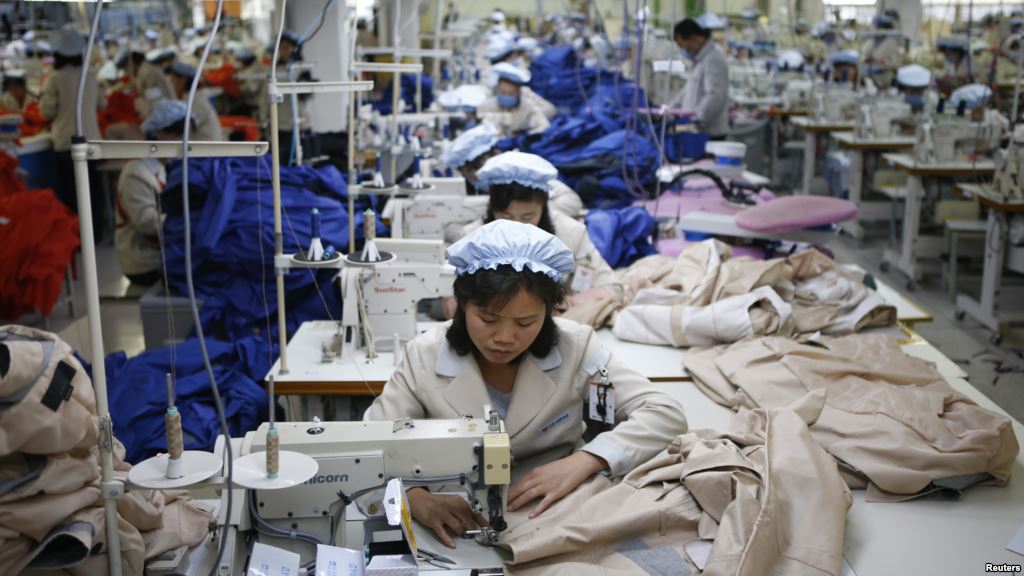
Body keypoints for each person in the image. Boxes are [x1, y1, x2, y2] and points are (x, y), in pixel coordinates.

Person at [365, 218, 686, 547]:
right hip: (454, 520)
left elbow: (664, 413)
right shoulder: (423, 356)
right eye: (488, 319)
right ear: (460, 304)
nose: (504, 338)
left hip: (557, 511)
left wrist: (588, 459)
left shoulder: (576, 347)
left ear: (549, 311)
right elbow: (370, 445)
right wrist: (414, 497)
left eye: (525, 322)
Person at [456, 152, 622, 311]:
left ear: (544, 208)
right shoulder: (471, 238)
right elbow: (450, 300)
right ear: (492, 209)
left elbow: (612, 287)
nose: (517, 226)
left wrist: (569, 303)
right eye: (506, 217)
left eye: (528, 217)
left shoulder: (571, 233)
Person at [441, 123, 582, 220]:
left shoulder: (525, 172)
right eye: (468, 171)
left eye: (475, 168)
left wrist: (531, 213)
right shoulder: (469, 194)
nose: (473, 176)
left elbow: (572, 201)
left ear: (492, 156)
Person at [115, 100, 189, 285]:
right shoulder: (136, 172)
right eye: (178, 135)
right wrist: (191, 221)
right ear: (159, 133)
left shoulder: (168, 165)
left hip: (167, 253)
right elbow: (147, 223)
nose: (184, 141)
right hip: (144, 262)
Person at [40, 27, 106, 220]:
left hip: (66, 142)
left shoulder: (55, 78)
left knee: (71, 193)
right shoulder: (90, 75)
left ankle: (76, 233)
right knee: (93, 189)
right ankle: (97, 230)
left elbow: (47, 112)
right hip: (93, 140)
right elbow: (102, 104)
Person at [671, 18, 729, 138]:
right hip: (696, 131)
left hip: (709, 133)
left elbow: (715, 95)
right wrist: (670, 111)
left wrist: (696, 119)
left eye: (685, 48)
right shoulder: (700, 60)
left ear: (694, 39)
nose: (686, 52)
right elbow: (687, 92)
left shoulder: (714, 59)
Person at [478, 63, 552, 136]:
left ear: (518, 93)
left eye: (511, 93)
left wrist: (526, 138)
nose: (506, 96)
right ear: (497, 89)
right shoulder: (485, 107)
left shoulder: (528, 108)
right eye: (503, 93)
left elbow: (543, 126)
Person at [166, 60, 224, 141]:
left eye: (173, 78)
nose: (171, 82)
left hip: (206, 149)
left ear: (183, 79)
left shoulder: (195, 101)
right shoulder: (192, 97)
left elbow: (184, 130)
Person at [861, 14, 903, 87]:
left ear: (882, 28)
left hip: (883, 80)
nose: (872, 28)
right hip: (867, 78)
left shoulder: (892, 43)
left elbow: (897, 63)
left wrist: (883, 62)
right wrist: (866, 60)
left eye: (875, 26)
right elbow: (862, 57)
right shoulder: (869, 42)